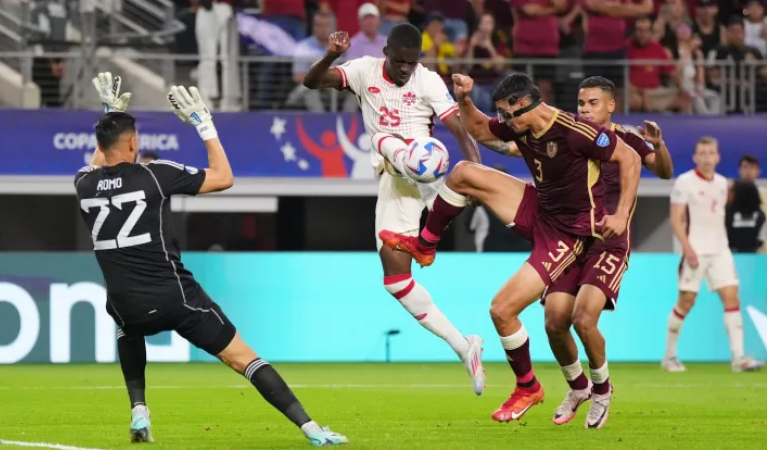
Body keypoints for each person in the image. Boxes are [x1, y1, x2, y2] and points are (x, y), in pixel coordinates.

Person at [77, 72, 347, 447]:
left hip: (126, 303)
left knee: (127, 326)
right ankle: (311, 428)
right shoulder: (155, 175)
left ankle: (139, 407)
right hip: (176, 298)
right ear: (135, 142)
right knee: (244, 359)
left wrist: (108, 113)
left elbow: (100, 164)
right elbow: (224, 177)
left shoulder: (82, 184)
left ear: (101, 143)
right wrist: (204, 124)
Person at [380, 72, 642, 424]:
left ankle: (532, 387)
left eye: (506, 112)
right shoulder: (520, 125)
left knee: (503, 311)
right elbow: (480, 130)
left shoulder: (575, 131)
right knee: (462, 173)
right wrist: (465, 100)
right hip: (540, 208)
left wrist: (622, 213)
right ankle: (426, 244)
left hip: (570, 233)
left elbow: (631, 159)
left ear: (523, 104)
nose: (503, 120)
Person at [301, 24, 487, 395]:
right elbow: (312, 82)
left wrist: (477, 173)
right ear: (386, 51)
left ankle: (421, 174)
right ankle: (464, 346)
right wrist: (332, 55)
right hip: (395, 181)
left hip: (430, 166)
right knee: (396, 281)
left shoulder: (429, 81)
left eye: (412, 62)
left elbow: (459, 130)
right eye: (400, 61)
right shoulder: (363, 70)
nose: (405, 69)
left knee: (384, 139)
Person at [543, 76, 674, 428]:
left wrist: (658, 147)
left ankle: (602, 389)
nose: (584, 109)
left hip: (610, 243)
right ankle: (577, 386)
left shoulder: (628, 139)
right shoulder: (570, 136)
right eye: (581, 103)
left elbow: (664, 172)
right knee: (555, 321)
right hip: (570, 241)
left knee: (583, 319)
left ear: (610, 105)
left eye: (593, 103)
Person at [663, 136, 766, 373]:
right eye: (703, 153)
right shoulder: (684, 182)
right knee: (686, 302)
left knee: (732, 299)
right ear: (695, 157)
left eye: (711, 153)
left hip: (721, 251)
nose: (707, 157)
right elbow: (676, 219)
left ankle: (738, 358)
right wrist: (687, 248)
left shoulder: (723, 184)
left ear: (718, 157)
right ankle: (669, 356)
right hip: (695, 251)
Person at [726, 180, 766, 253]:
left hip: (752, 256)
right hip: (729, 254)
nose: (728, 194)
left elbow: (760, 239)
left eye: (732, 191)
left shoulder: (760, 216)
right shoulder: (725, 212)